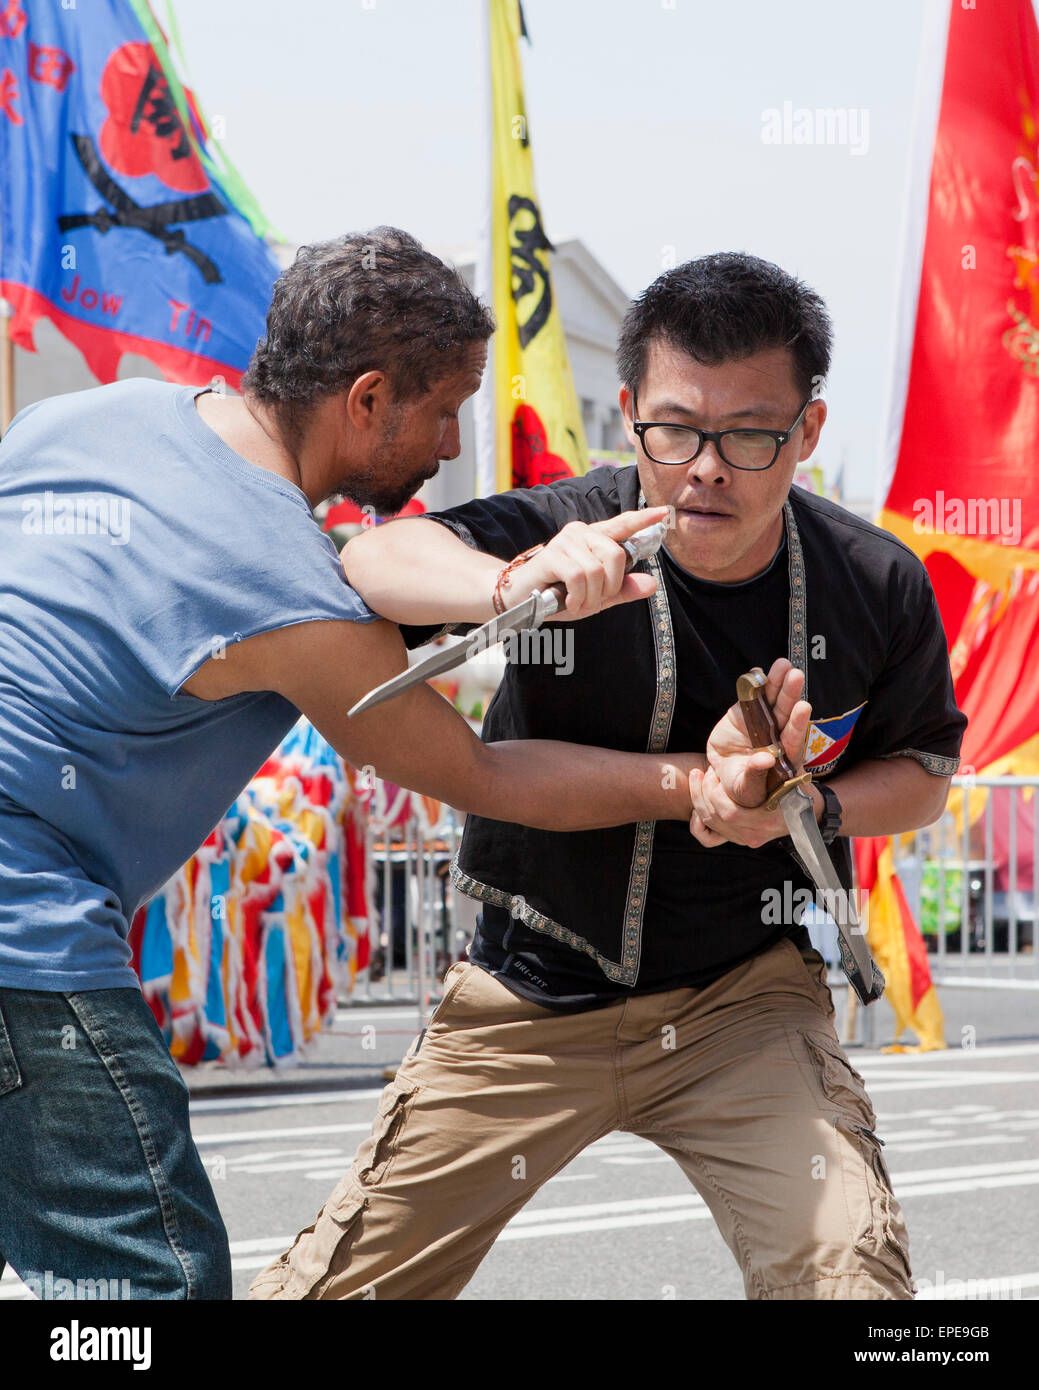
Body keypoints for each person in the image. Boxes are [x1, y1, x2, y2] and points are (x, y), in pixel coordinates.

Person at [0, 227, 785, 1300]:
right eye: (445, 410)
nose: (449, 442)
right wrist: (690, 784)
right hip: (24, 928)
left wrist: (501, 582)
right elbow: (485, 776)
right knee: (142, 1283)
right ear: (366, 400)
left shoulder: (84, 415)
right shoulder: (283, 584)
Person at [250, 252, 967, 1302]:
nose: (707, 468)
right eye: (675, 430)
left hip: (745, 1003)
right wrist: (512, 582)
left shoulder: (875, 580)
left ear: (806, 433)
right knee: (338, 1287)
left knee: (848, 1267)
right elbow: (372, 559)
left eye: (750, 434)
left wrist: (800, 808)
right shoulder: (566, 526)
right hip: (527, 996)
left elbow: (922, 772)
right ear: (628, 413)